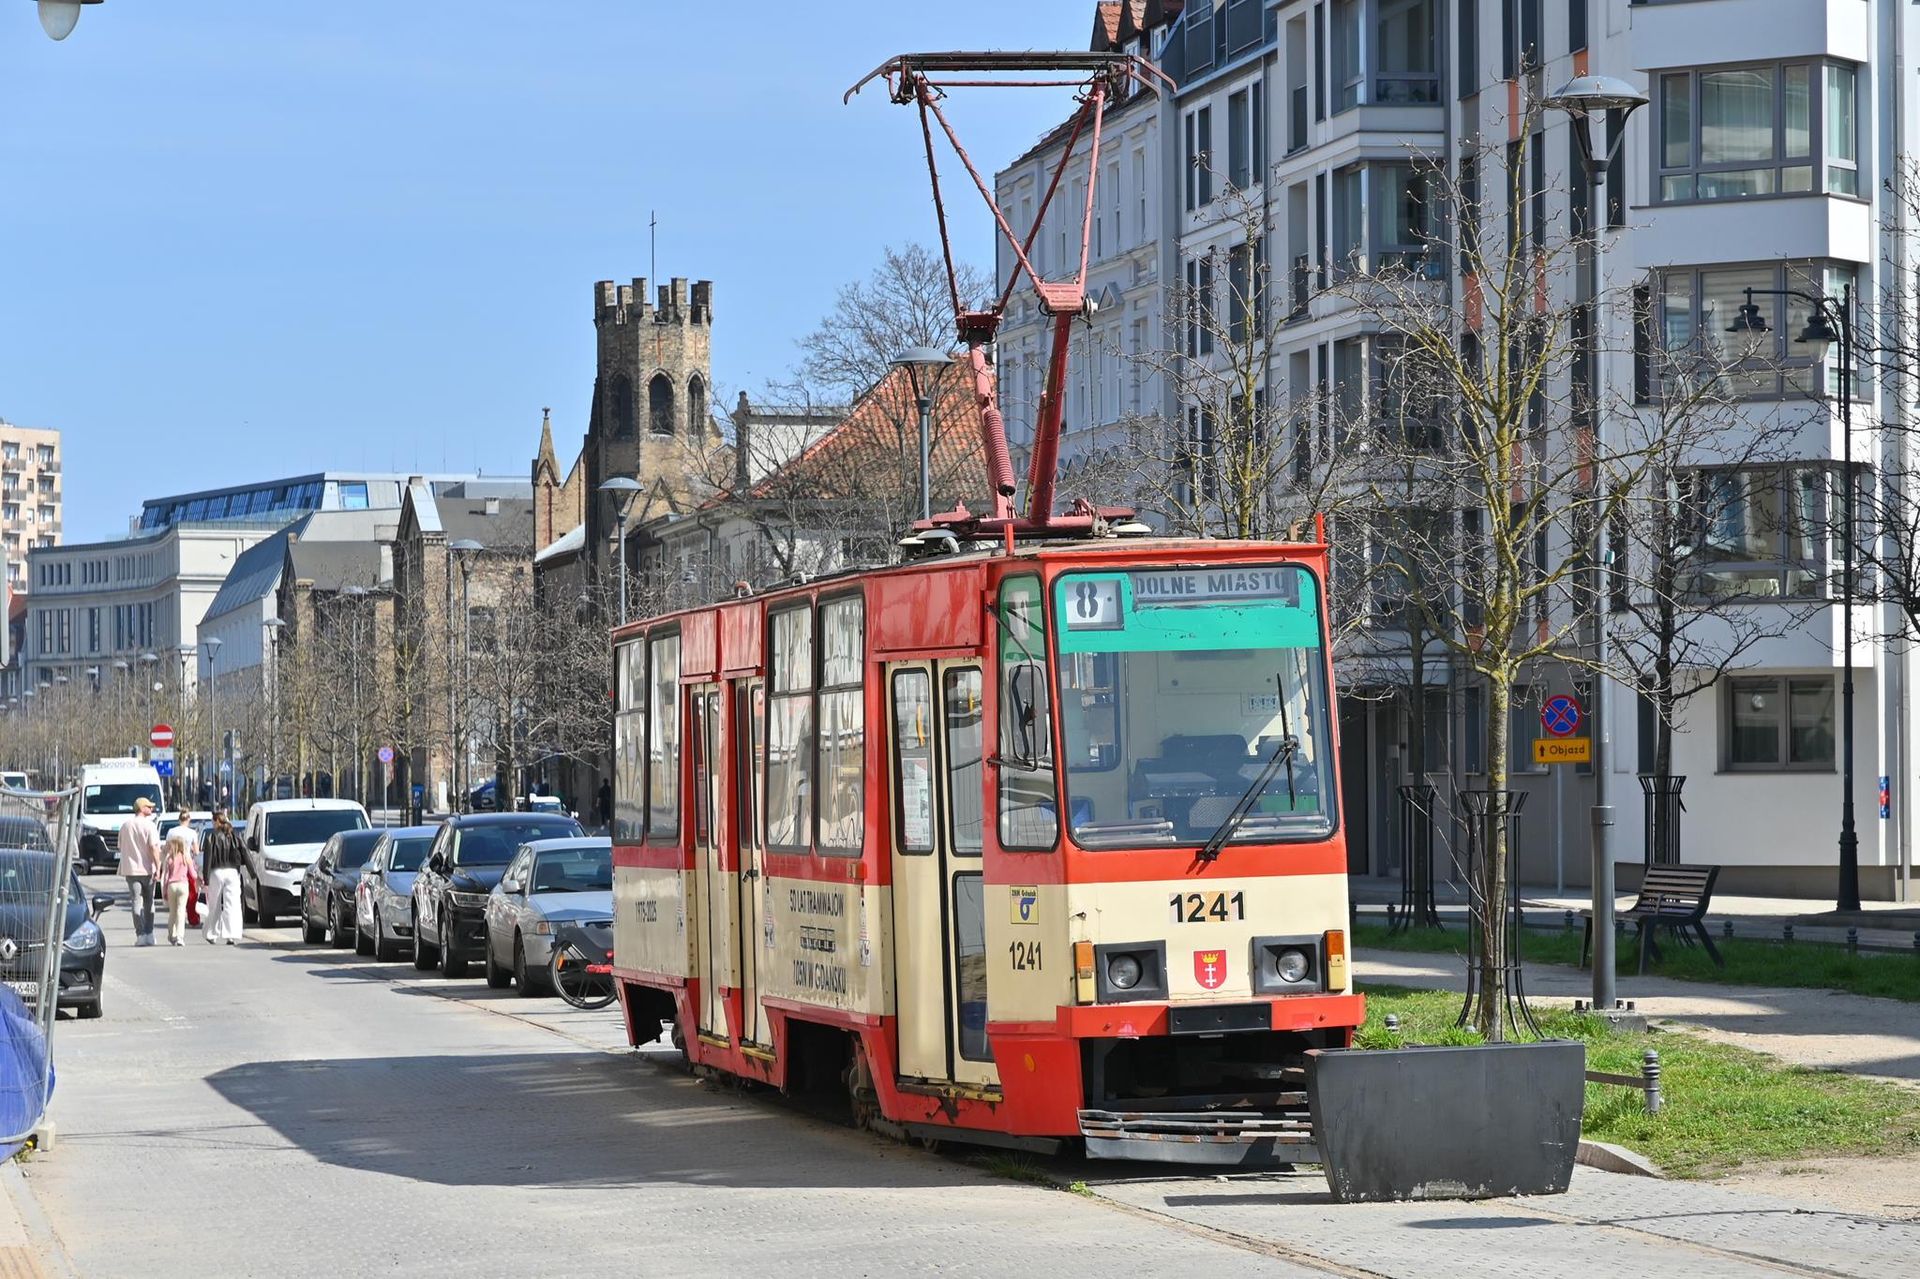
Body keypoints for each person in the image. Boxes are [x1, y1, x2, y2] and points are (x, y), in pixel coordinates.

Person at [116, 796, 162, 946]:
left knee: (136, 901)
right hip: (148, 869)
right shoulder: (149, 826)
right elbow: (154, 847)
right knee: (149, 902)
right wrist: (158, 866)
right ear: (142, 808)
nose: (151, 809)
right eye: (149, 806)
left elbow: (120, 846)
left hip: (130, 870)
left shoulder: (125, 826)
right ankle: (149, 933)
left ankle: (140, 934)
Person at [201, 809, 245, 945]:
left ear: (216, 822)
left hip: (216, 872)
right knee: (232, 904)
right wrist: (252, 871)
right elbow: (245, 852)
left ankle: (211, 933)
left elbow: (207, 860)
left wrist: (206, 878)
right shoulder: (234, 836)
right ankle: (231, 935)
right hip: (232, 872)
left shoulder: (211, 837)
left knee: (214, 904)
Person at [157, 824, 195, 946]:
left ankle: (171, 935)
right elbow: (193, 874)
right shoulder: (186, 857)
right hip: (183, 885)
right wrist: (200, 880)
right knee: (181, 912)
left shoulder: (169, 858)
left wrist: (164, 890)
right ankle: (180, 937)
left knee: (172, 912)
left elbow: (166, 876)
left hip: (171, 886)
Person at [168, 809, 203, 928]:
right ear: (188, 820)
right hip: (188, 861)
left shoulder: (171, 832)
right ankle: (192, 917)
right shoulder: (192, 833)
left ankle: (177, 919)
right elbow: (196, 851)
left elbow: (167, 848)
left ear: (179, 819)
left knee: (174, 889)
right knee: (192, 893)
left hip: (174, 861)